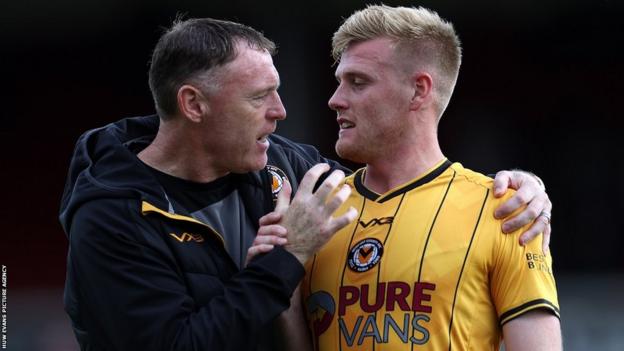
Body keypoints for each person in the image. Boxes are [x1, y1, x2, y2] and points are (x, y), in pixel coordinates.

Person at [58, 16, 553, 351]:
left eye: (356, 83)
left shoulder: (294, 174)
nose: (283, 112)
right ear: (193, 105)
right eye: (260, 98)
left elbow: (411, 190)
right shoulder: (110, 217)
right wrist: (284, 263)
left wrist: (526, 185)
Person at [253, 5, 561, 351]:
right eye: (339, 82)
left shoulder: (506, 211)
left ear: (419, 90)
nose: (335, 100)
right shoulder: (312, 217)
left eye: (358, 82)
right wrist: (284, 286)